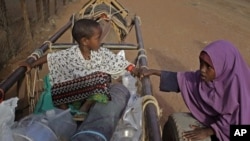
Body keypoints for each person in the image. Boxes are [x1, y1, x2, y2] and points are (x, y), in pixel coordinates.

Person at [21, 18, 138, 120]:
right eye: (97, 38)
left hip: (85, 92)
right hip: (68, 94)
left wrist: (134, 70)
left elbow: (116, 61)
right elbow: (49, 57)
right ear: (85, 41)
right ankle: (76, 111)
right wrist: (31, 64)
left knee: (104, 77)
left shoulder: (101, 53)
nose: (100, 41)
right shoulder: (70, 54)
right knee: (100, 78)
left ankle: (83, 108)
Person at [139, 40, 250, 141]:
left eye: (208, 66)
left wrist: (210, 131)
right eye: (201, 62)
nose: (202, 69)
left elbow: (241, 131)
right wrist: (152, 72)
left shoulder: (240, 93)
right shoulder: (207, 80)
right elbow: (183, 80)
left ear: (224, 67)